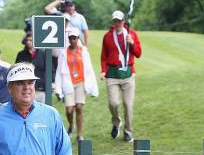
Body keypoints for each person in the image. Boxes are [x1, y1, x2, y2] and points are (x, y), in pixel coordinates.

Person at [100, 10, 142, 142]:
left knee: (128, 105)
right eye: (115, 21)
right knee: (113, 103)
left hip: (128, 74)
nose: (117, 23)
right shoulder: (107, 36)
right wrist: (103, 70)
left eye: (119, 21)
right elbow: (104, 56)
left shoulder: (131, 34)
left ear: (124, 21)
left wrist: (132, 44)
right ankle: (116, 122)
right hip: (112, 74)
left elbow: (138, 53)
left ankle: (128, 131)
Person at [55, 27, 98, 140]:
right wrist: (58, 89)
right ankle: (71, 124)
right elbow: (59, 71)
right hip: (68, 82)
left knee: (79, 107)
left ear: (78, 38)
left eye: (74, 38)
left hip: (80, 82)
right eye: (71, 38)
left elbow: (89, 69)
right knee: (69, 109)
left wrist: (93, 87)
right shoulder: (63, 52)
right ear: (68, 39)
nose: (72, 40)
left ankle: (79, 134)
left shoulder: (83, 51)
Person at [14, 34, 50, 103]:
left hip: (40, 88)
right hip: (25, 89)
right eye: (27, 40)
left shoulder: (42, 54)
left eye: (30, 40)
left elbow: (49, 70)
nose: (28, 42)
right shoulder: (21, 55)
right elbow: (16, 71)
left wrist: (49, 82)